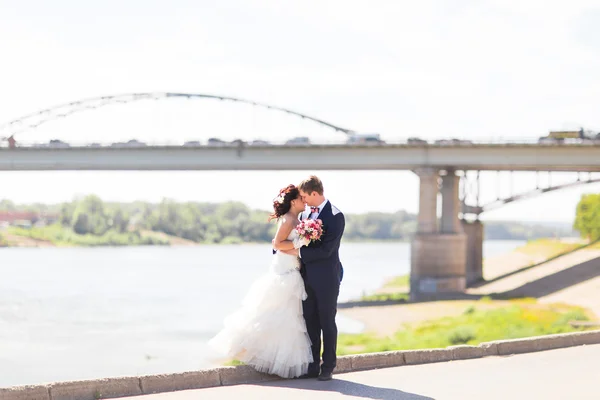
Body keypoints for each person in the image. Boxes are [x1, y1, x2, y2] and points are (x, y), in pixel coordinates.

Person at [208, 184, 313, 378]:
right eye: (301, 198)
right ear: (292, 201)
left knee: (288, 320)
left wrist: (302, 247)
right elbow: (278, 244)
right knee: (273, 316)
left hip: (292, 271)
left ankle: (282, 362)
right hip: (284, 272)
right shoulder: (288, 219)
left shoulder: (300, 220)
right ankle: (251, 350)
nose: (304, 200)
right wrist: (300, 246)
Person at [282, 175, 345, 381]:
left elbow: (327, 250)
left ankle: (328, 366)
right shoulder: (305, 214)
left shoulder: (335, 216)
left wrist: (298, 253)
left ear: (315, 193)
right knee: (310, 320)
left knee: (327, 321)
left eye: (305, 196)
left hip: (327, 277)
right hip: (306, 276)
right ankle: (312, 366)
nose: (304, 200)